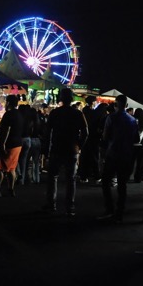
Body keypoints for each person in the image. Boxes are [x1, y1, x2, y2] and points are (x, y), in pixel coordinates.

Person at [41, 88, 88, 216]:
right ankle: (70, 206)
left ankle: (51, 204)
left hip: (57, 148)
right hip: (72, 148)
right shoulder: (78, 114)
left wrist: (46, 150)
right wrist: (79, 146)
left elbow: (48, 133)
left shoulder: (55, 113)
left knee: (52, 177)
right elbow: (85, 132)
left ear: (61, 98)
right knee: (70, 179)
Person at [98, 94, 139, 223]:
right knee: (122, 184)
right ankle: (120, 211)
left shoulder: (111, 118)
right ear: (126, 105)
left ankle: (109, 208)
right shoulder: (133, 120)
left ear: (116, 104)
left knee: (106, 181)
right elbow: (136, 139)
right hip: (126, 154)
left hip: (113, 153)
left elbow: (105, 136)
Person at [0, 94, 24, 197]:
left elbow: (7, 130)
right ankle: (11, 189)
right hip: (18, 144)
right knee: (12, 168)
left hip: (9, 144)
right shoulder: (19, 114)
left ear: (8, 103)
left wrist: (2, 144)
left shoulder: (8, 114)